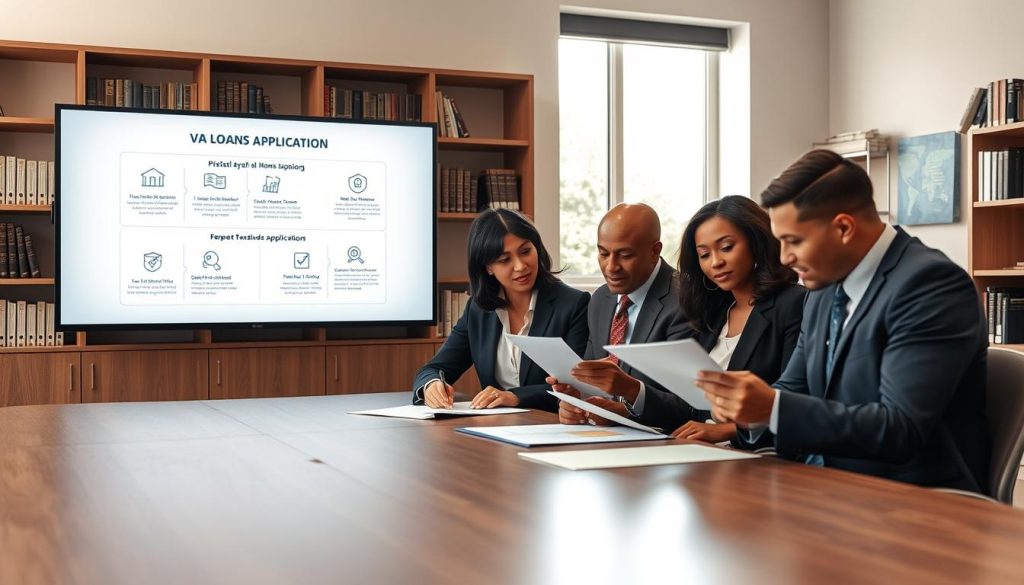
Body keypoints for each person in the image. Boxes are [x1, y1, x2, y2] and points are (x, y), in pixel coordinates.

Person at [697, 150, 990, 492]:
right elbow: (794, 388)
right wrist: (746, 411)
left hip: (913, 499)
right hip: (826, 485)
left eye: (794, 241)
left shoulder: (930, 285)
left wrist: (772, 407)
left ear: (844, 228)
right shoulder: (822, 290)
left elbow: (900, 429)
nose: (784, 258)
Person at [555, 197, 805, 445]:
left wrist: (730, 430)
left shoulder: (792, 304)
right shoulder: (713, 309)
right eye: (704, 254)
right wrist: (600, 406)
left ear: (757, 243)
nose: (715, 262)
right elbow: (685, 408)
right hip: (697, 449)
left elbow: (796, 401)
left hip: (756, 454)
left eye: (727, 247)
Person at [412, 208, 589, 412]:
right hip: (496, 430)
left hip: (553, 428)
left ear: (537, 248)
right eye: (504, 260)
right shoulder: (478, 310)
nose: (520, 266)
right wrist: (432, 384)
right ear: (488, 267)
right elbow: (434, 369)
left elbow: (576, 386)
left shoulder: (574, 305)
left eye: (525, 251)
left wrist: (515, 396)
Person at [551, 203, 691, 426]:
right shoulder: (600, 299)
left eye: (625, 255)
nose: (610, 267)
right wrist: (576, 399)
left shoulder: (685, 300)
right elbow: (593, 378)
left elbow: (689, 407)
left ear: (655, 251)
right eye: (603, 253)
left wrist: (625, 409)